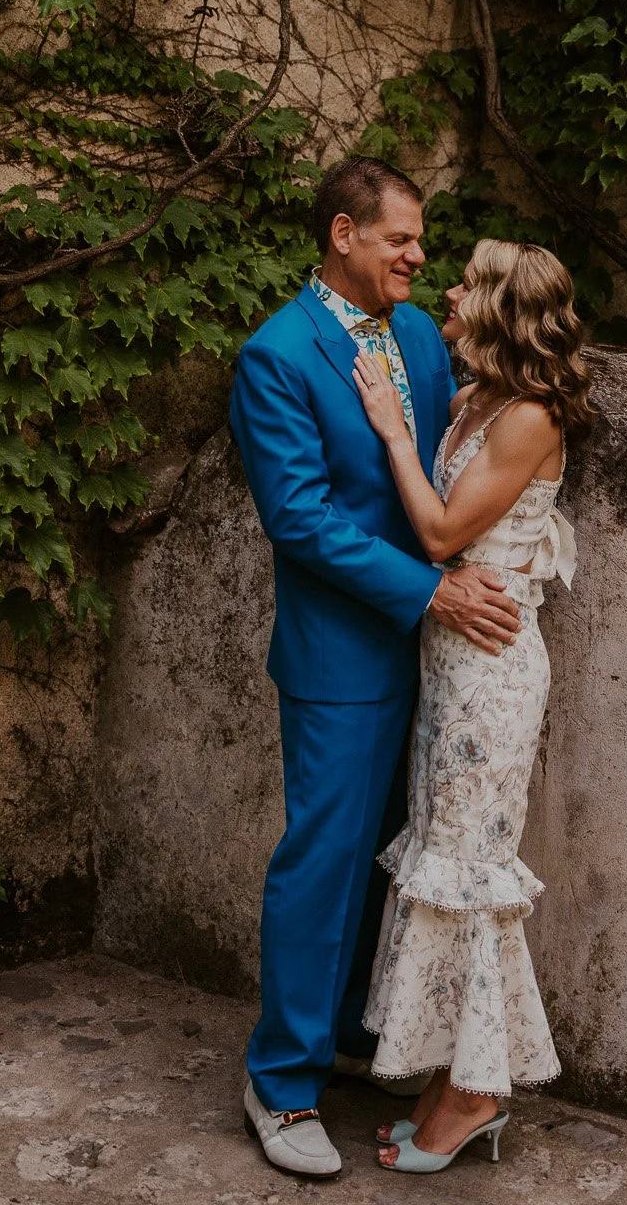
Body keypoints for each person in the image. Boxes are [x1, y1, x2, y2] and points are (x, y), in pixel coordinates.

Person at [232, 159, 524, 1181]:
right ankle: (281, 1080)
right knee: (324, 858)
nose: (417, 255)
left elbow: (450, 459)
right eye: (400, 238)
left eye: (421, 239)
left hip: (445, 654)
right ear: (344, 233)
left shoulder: (412, 334)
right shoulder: (276, 354)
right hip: (344, 652)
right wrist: (429, 590)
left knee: (398, 854)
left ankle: (357, 1035)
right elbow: (299, 516)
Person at [351, 238, 592, 1176]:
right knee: (440, 862)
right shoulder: (474, 398)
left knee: (469, 868)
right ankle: (452, 1073)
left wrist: (390, 432)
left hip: (491, 672)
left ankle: (479, 1089)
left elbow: (445, 528)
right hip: (447, 662)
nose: (446, 288)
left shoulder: (530, 416)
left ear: (497, 307)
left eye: (465, 282)